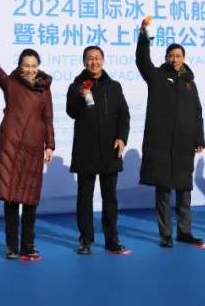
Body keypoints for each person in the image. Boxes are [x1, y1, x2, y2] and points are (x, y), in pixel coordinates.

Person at [0, 31, 54, 259]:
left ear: (38, 67)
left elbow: (48, 118)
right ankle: (12, 246)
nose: (30, 69)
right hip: (11, 147)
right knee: (12, 199)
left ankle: (28, 245)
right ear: (20, 66)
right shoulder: (11, 83)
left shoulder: (44, 89)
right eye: (26, 65)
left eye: (34, 66)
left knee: (31, 200)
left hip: (34, 148)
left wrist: (50, 145)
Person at [135, 20, 205, 248]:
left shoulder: (190, 82)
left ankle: (185, 231)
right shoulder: (156, 76)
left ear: (184, 58)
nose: (175, 59)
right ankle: (165, 234)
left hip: (184, 144)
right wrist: (144, 37)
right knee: (163, 190)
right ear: (166, 58)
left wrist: (199, 137)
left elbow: (197, 111)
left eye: (178, 55)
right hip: (162, 143)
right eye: (171, 55)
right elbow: (142, 60)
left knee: (184, 190)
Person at [66, 45, 130, 255]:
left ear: (103, 60)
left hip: (110, 150)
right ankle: (85, 239)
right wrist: (82, 97)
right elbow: (71, 112)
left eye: (97, 58)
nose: (94, 62)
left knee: (110, 198)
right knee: (84, 198)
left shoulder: (114, 87)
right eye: (89, 58)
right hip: (85, 150)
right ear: (84, 62)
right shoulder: (76, 86)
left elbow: (123, 114)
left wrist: (121, 138)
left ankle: (112, 239)